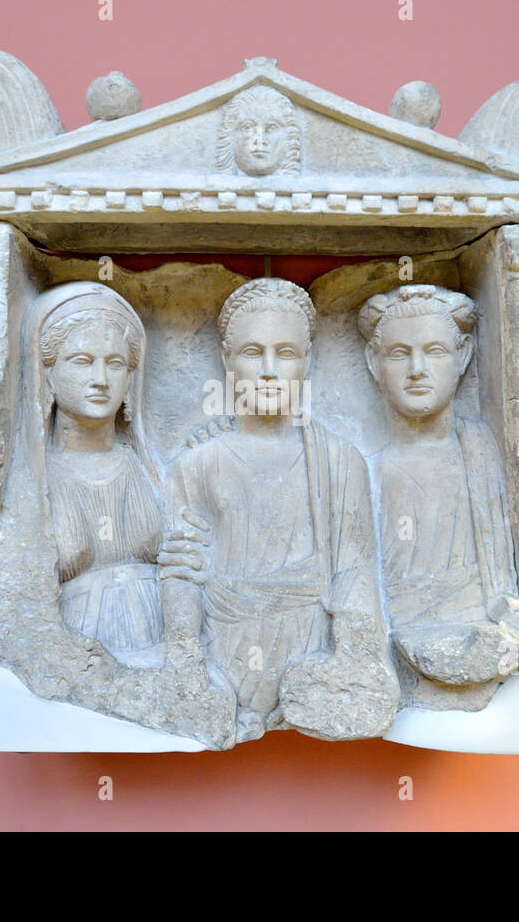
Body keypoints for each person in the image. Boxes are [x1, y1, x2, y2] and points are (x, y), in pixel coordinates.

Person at [159, 277, 397, 742]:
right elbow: (179, 571)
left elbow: (354, 571)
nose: (269, 370)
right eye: (252, 353)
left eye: (285, 354)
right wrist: (187, 665)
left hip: (309, 647)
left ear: (307, 361)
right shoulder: (196, 463)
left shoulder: (339, 460)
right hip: (225, 651)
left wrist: (356, 661)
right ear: (227, 359)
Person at [358, 283, 519, 707]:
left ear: (464, 356)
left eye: (435, 350)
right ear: (372, 361)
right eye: (400, 353)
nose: (417, 369)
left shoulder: (486, 456)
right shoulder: (364, 472)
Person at [8, 281, 165, 664]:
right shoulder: (34, 484)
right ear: (48, 371)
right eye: (82, 360)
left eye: (115, 363)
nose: (100, 379)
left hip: (159, 650)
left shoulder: (151, 472)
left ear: (130, 378)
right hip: (76, 662)